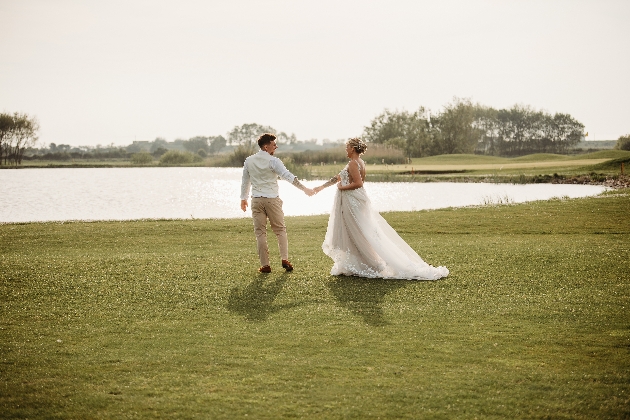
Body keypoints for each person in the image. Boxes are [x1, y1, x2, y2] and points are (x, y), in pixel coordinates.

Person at [313, 138, 448, 280]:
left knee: (359, 231)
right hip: (356, 200)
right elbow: (338, 177)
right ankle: (361, 263)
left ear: (352, 148)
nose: (346, 150)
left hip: (353, 201)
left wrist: (342, 187)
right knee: (359, 231)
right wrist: (321, 187)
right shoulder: (358, 162)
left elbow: (358, 183)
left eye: (347, 147)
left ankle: (372, 264)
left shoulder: (353, 163)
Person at [241, 133, 315, 273]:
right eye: (274, 144)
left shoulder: (249, 161)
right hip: (272, 200)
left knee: (260, 233)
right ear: (265, 146)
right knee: (280, 230)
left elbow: (246, 181)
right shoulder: (273, 161)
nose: (276, 146)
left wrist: (243, 199)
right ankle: (284, 259)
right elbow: (288, 176)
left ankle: (265, 265)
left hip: (256, 200)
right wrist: (304, 188)